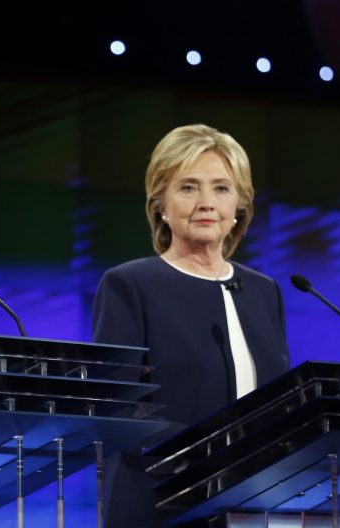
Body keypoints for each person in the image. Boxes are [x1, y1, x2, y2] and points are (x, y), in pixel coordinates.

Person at [92, 124, 290, 527]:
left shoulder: (263, 291)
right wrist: (209, 455)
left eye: (220, 188)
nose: (206, 202)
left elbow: (277, 403)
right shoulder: (131, 285)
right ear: (160, 204)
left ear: (239, 206)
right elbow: (116, 408)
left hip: (251, 507)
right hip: (159, 505)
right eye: (188, 187)